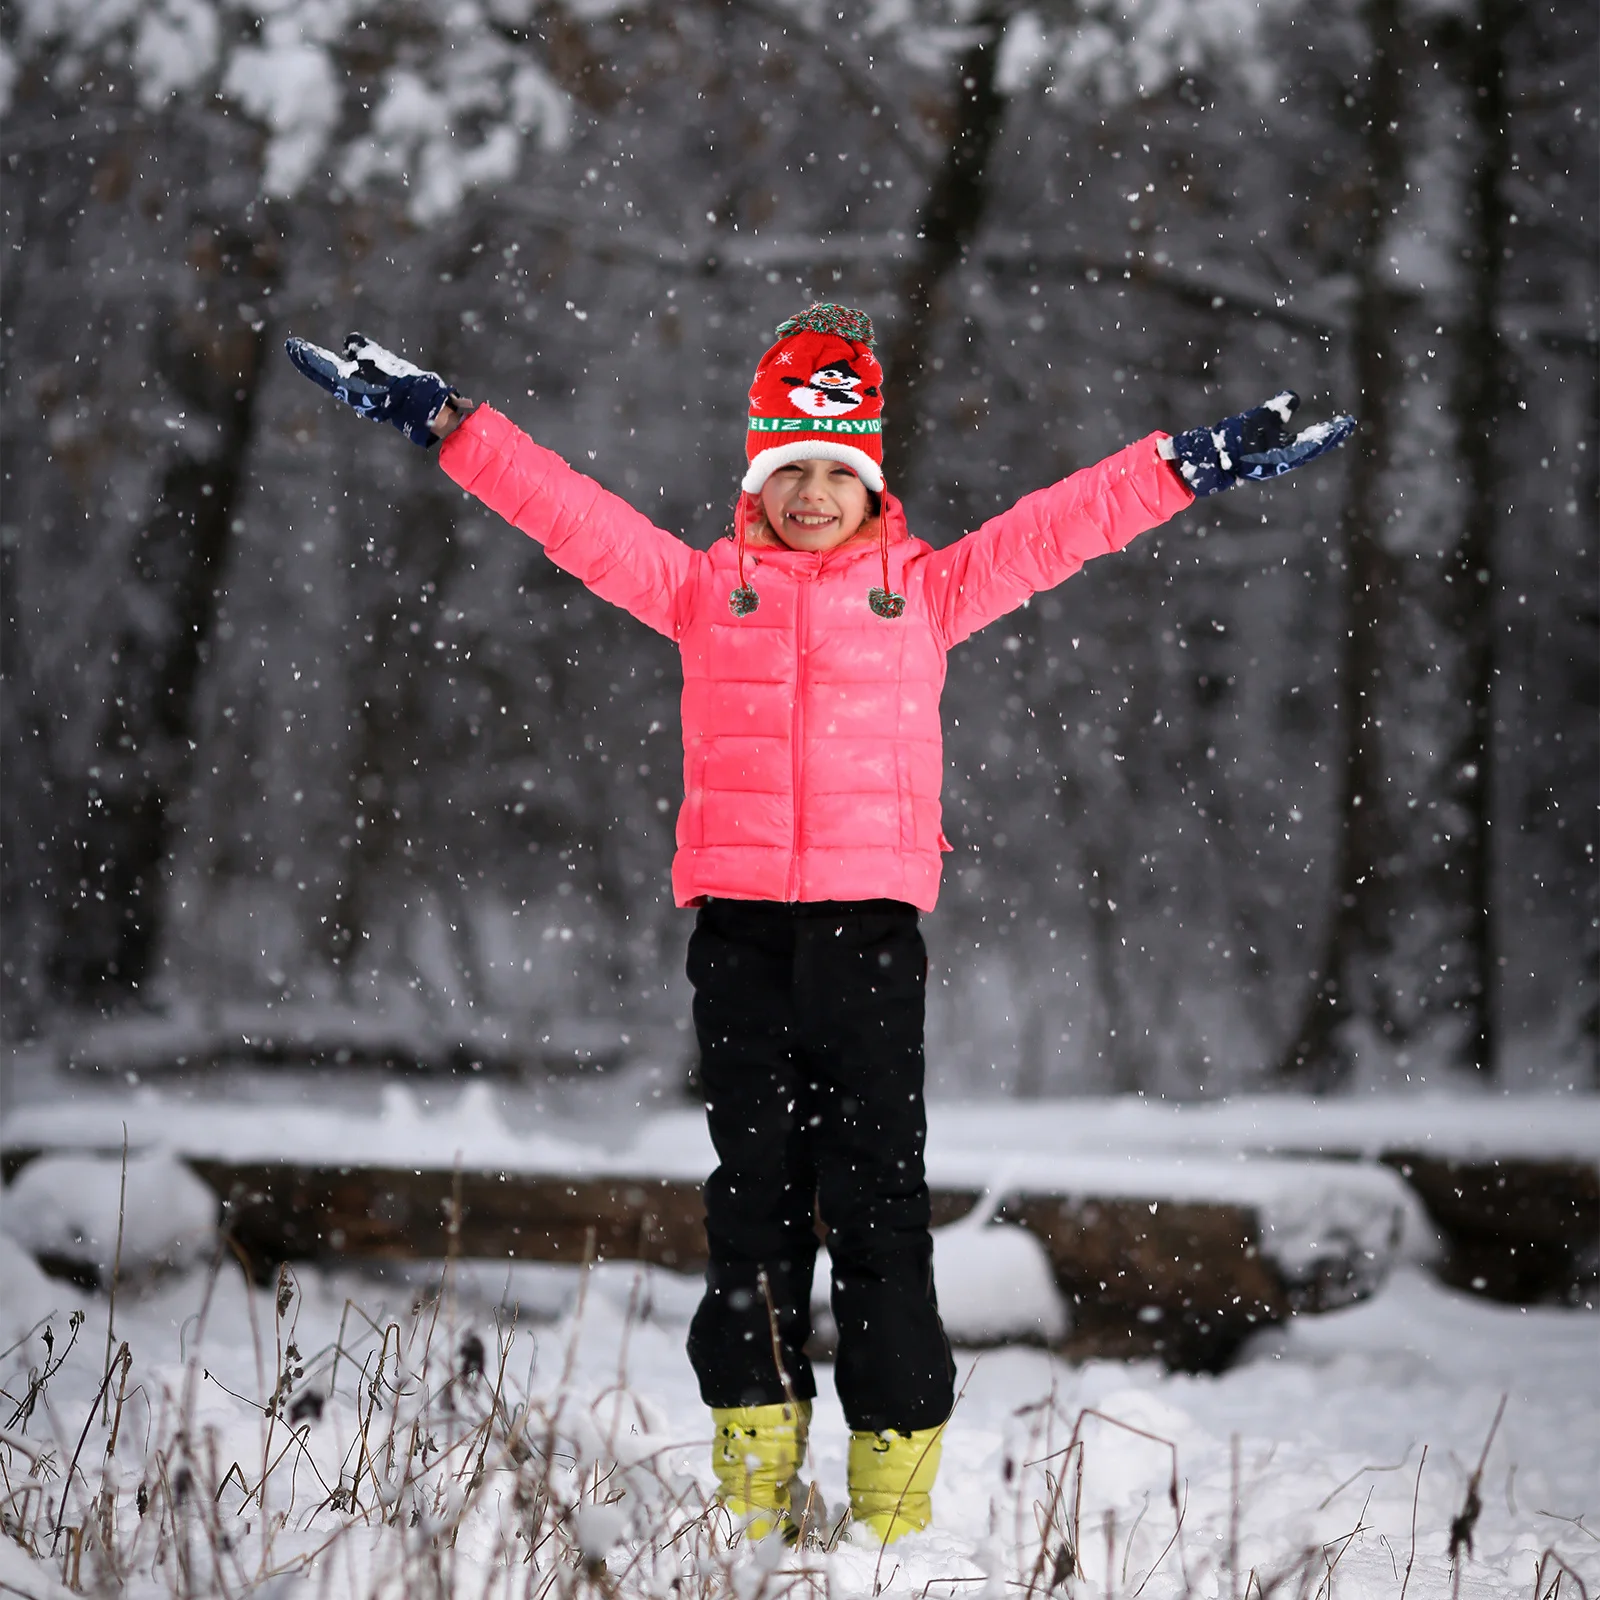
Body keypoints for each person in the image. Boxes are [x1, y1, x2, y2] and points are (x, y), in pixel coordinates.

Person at [285, 307, 1353, 1543]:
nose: (807, 493)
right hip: (740, 942)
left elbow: (1068, 523)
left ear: (871, 482)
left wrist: (1193, 460)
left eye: (833, 470)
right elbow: (564, 510)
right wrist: (445, 421)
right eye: (784, 468)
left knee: (881, 1209)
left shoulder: (928, 589)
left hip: (868, 943)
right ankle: (752, 1483)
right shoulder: (704, 589)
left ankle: (892, 1502)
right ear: (753, 478)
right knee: (752, 1206)